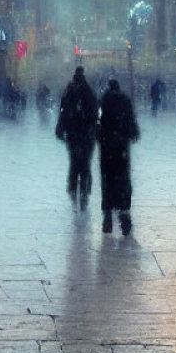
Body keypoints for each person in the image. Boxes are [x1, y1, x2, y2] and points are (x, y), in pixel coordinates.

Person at [98, 79, 140, 234]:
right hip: (121, 147)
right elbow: (132, 122)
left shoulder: (103, 101)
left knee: (107, 180)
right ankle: (124, 214)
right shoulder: (125, 101)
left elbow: (98, 123)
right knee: (122, 179)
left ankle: (108, 214)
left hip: (107, 148)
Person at [55, 66, 99, 210]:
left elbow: (63, 112)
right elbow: (94, 113)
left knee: (74, 161)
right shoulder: (89, 91)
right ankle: (85, 188)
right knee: (85, 162)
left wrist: (61, 129)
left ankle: (73, 186)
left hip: (73, 133)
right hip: (86, 134)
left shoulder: (69, 91)